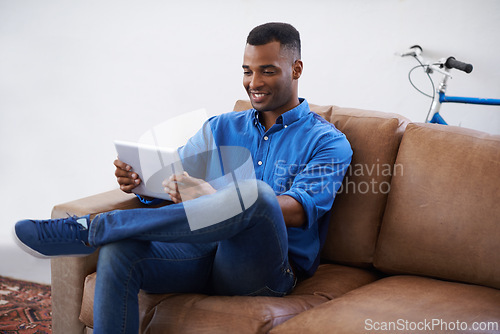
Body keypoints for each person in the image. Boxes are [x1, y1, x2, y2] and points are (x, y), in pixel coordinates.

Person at [15, 22, 352, 333]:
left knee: (258, 195)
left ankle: (97, 226)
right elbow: (176, 176)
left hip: (264, 271)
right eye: (247, 71)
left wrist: (214, 196)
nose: (254, 83)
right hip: (202, 254)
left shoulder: (328, 141)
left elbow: (298, 209)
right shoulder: (221, 126)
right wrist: (141, 182)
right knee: (119, 252)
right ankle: (108, 232)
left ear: (296, 69)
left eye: (267, 71)